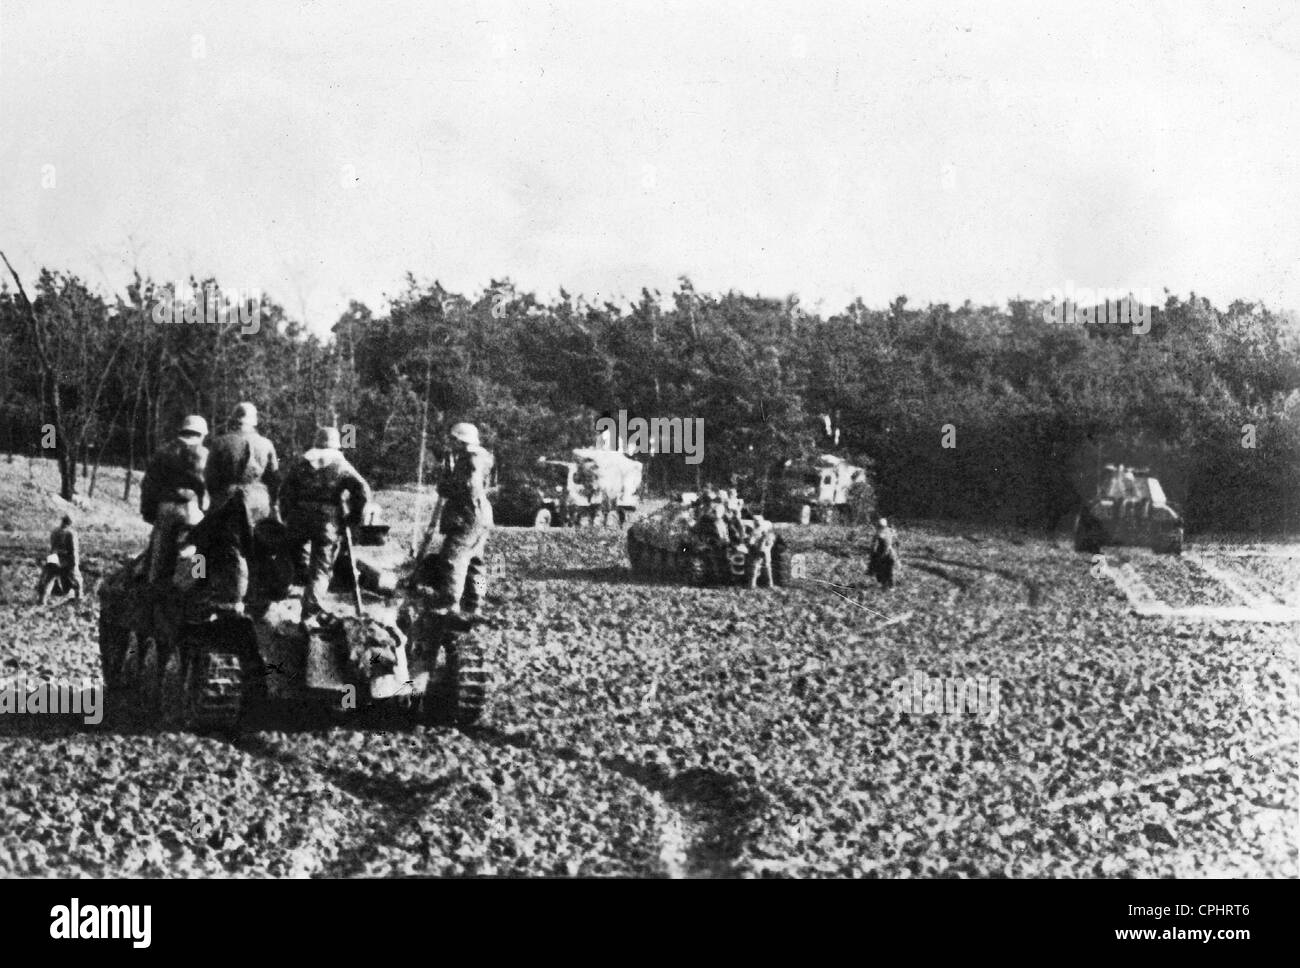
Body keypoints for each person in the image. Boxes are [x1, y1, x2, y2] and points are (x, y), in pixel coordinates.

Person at [279, 426, 372, 624]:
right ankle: (310, 613)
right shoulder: (340, 465)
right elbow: (362, 490)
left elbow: (285, 490)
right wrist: (354, 517)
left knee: (293, 558)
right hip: (327, 521)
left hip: (299, 517)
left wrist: (287, 515)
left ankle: (283, 594)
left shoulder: (301, 464)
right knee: (321, 568)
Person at [198, 401, 281, 611]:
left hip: (228, 500)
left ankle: (201, 586)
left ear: (233, 420)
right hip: (259, 502)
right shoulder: (267, 444)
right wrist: (270, 503)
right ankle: (259, 596)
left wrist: (216, 499)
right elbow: (274, 478)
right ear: (253, 423)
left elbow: (209, 477)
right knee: (258, 548)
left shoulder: (220, 443)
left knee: (207, 544)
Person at [415, 422, 494, 620]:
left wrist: (445, 485)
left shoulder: (470, 459)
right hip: (481, 515)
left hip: (467, 516)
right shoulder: (483, 457)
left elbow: (468, 486)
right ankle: (477, 602)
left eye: (454, 439)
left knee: (453, 560)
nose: (451, 443)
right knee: (477, 563)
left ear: (460, 440)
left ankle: (449, 603)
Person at [140, 414, 208, 587]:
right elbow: (207, 487)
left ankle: (153, 585)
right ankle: (195, 582)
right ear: (201, 434)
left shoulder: (164, 452)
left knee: (159, 551)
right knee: (198, 548)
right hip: (192, 508)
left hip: (166, 506)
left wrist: (148, 511)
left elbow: (149, 484)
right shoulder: (204, 454)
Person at [39, 515, 82, 604]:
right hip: (65, 558)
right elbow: (74, 550)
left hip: (53, 556)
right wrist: (75, 563)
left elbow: (52, 545)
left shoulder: (55, 531)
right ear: (70, 523)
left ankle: (42, 600)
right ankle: (79, 599)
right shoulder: (71, 533)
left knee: (49, 579)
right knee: (77, 579)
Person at [867, 516, 898, 590]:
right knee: (890, 570)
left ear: (878, 525)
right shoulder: (891, 531)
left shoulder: (878, 534)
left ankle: (884, 585)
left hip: (882, 554)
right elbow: (896, 541)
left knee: (881, 570)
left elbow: (873, 546)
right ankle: (890, 586)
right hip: (891, 553)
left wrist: (872, 555)